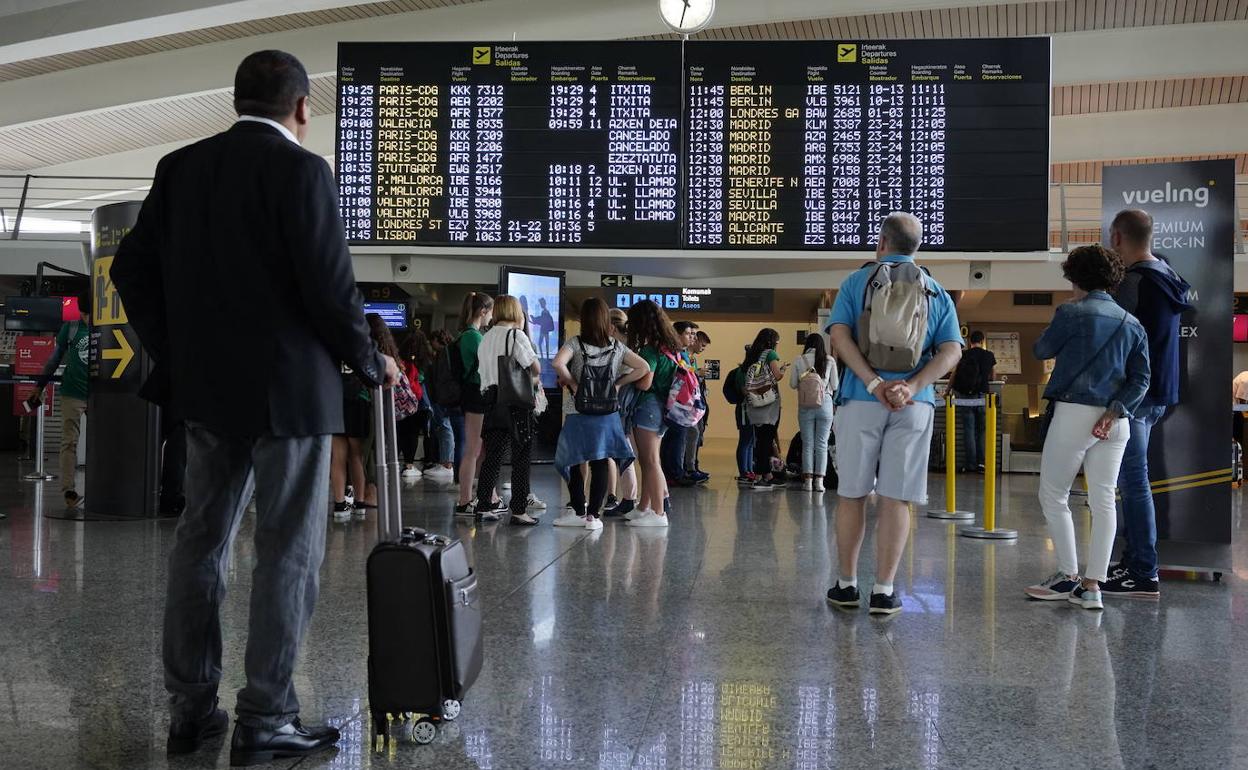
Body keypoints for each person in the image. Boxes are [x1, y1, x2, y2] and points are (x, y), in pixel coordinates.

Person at [111, 50, 397, 764]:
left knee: (200, 544)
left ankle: (190, 709)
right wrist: (369, 359)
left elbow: (131, 267)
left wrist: (175, 352)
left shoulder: (182, 166)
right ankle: (266, 717)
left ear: (236, 99)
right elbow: (331, 289)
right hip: (292, 397)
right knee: (286, 554)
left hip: (207, 393)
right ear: (302, 108)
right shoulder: (304, 171)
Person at [824, 212, 962, 616]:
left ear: (882, 242)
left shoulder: (857, 282)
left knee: (852, 493)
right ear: (917, 247)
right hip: (913, 405)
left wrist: (872, 383)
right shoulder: (936, 291)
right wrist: (912, 387)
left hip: (860, 400)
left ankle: (846, 585)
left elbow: (839, 336)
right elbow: (951, 350)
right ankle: (883, 591)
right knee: (896, 498)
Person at [1025, 244, 1150, 611]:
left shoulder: (1071, 312)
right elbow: (1142, 379)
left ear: (1076, 277)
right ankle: (1093, 586)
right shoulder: (1132, 323)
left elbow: (1040, 350)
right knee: (1104, 500)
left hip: (1074, 413)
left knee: (1054, 495)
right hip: (1116, 421)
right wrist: (1115, 411)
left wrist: (1059, 319)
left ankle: (1067, 575)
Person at [1106, 209, 1192, 600]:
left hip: (1136, 397)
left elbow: (1117, 343)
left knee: (1133, 482)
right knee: (1133, 481)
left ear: (1117, 237)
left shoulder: (1135, 283)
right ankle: (1134, 560)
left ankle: (1142, 570)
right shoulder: (1169, 276)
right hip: (1161, 392)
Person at [551, 298, 649, 529]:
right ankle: (594, 516)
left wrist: (574, 384)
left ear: (584, 319)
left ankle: (577, 510)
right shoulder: (616, 346)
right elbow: (643, 367)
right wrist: (617, 384)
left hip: (578, 410)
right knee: (601, 461)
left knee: (576, 460)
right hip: (606, 412)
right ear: (606, 320)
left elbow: (557, 363)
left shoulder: (575, 343)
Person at [474, 295, 542, 526]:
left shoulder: (485, 338)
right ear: (516, 312)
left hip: (492, 401)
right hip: (516, 403)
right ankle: (519, 509)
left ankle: (484, 505)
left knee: (492, 456)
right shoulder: (516, 335)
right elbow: (535, 367)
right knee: (521, 457)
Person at [27, 292, 91, 509]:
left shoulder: (106, 328)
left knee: (103, 443)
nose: (88, 319)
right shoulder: (71, 327)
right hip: (72, 392)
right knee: (69, 441)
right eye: (85, 314)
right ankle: (69, 491)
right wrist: (39, 385)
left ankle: (102, 487)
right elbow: (55, 358)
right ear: (80, 312)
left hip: (99, 395)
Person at [624, 300, 682, 527]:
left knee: (649, 462)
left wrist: (627, 379)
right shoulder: (673, 349)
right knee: (651, 460)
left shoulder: (650, 350)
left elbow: (645, 383)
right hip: (666, 408)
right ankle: (643, 507)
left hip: (648, 407)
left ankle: (658, 513)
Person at [453, 292, 506, 519]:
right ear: (483, 311)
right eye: (490, 312)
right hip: (476, 395)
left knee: (480, 448)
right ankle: (464, 500)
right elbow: (489, 365)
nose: (491, 317)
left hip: (476, 394)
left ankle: (489, 495)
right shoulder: (473, 337)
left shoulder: (469, 335)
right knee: (473, 448)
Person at [603, 308, 639, 518]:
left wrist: (617, 384)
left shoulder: (620, 346)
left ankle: (629, 499)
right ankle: (629, 497)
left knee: (622, 451)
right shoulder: (630, 344)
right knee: (622, 450)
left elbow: (641, 369)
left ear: (611, 327)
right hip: (626, 403)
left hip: (619, 404)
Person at [790, 333, 838, 492]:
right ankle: (819, 482)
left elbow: (792, 384)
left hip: (805, 406)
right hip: (825, 404)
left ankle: (808, 482)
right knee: (822, 444)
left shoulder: (799, 360)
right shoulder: (829, 360)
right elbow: (835, 385)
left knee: (808, 444)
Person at [742, 328, 786, 491]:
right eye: (777, 341)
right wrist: (782, 370)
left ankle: (767, 475)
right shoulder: (770, 354)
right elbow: (776, 376)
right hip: (768, 403)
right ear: (772, 341)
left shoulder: (752, 354)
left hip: (754, 403)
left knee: (761, 439)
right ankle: (760, 478)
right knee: (766, 440)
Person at [946, 330, 997, 473]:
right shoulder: (989, 355)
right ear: (982, 341)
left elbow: (954, 374)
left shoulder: (964, 354)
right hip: (983, 396)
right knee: (982, 430)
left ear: (970, 342)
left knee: (969, 429)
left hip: (966, 395)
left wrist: (947, 391)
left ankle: (970, 464)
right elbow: (993, 375)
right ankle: (982, 464)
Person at [660, 321, 699, 486]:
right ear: (676, 334)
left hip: (678, 402)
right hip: (676, 403)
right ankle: (675, 473)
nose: (692, 337)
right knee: (675, 438)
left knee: (675, 438)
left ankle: (673, 473)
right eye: (688, 334)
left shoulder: (680, 353)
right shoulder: (675, 354)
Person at [424, 330, 456, 481]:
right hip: (440, 397)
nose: (431, 345)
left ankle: (447, 463)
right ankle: (445, 461)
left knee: (445, 427)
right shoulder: (447, 354)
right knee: (443, 428)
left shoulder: (443, 355)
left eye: (433, 341)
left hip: (440, 398)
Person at [683, 329, 712, 484]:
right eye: (702, 344)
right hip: (686, 403)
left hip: (696, 402)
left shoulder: (692, 359)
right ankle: (689, 468)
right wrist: (697, 374)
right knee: (691, 434)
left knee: (697, 434)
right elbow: (684, 374)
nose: (703, 348)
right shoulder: (684, 356)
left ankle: (693, 465)